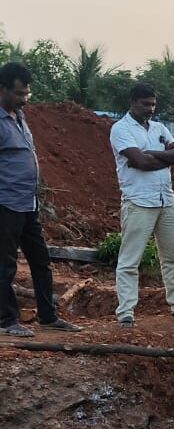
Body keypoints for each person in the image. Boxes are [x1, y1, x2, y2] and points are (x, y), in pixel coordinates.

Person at [0, 62, 82, 337]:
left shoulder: (20, 117)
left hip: (27, 203)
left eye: (27, 94)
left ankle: (48, 316)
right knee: (6, 265)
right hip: (5, 204)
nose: (24, 99)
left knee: (41, 260)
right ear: (2, 90)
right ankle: (7, 321)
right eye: (19, 94)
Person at [109, 83, 174, 327]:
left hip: (165, 199)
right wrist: (160, 157)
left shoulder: (159, 128)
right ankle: (126, 311)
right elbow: (139, 161)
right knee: (130, 259)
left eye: (153, 104)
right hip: (138, 201)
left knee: (171, 256)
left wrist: (151, 155)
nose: (150, 109)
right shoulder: (120, 129)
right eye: (145, 104)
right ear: (133, 102)